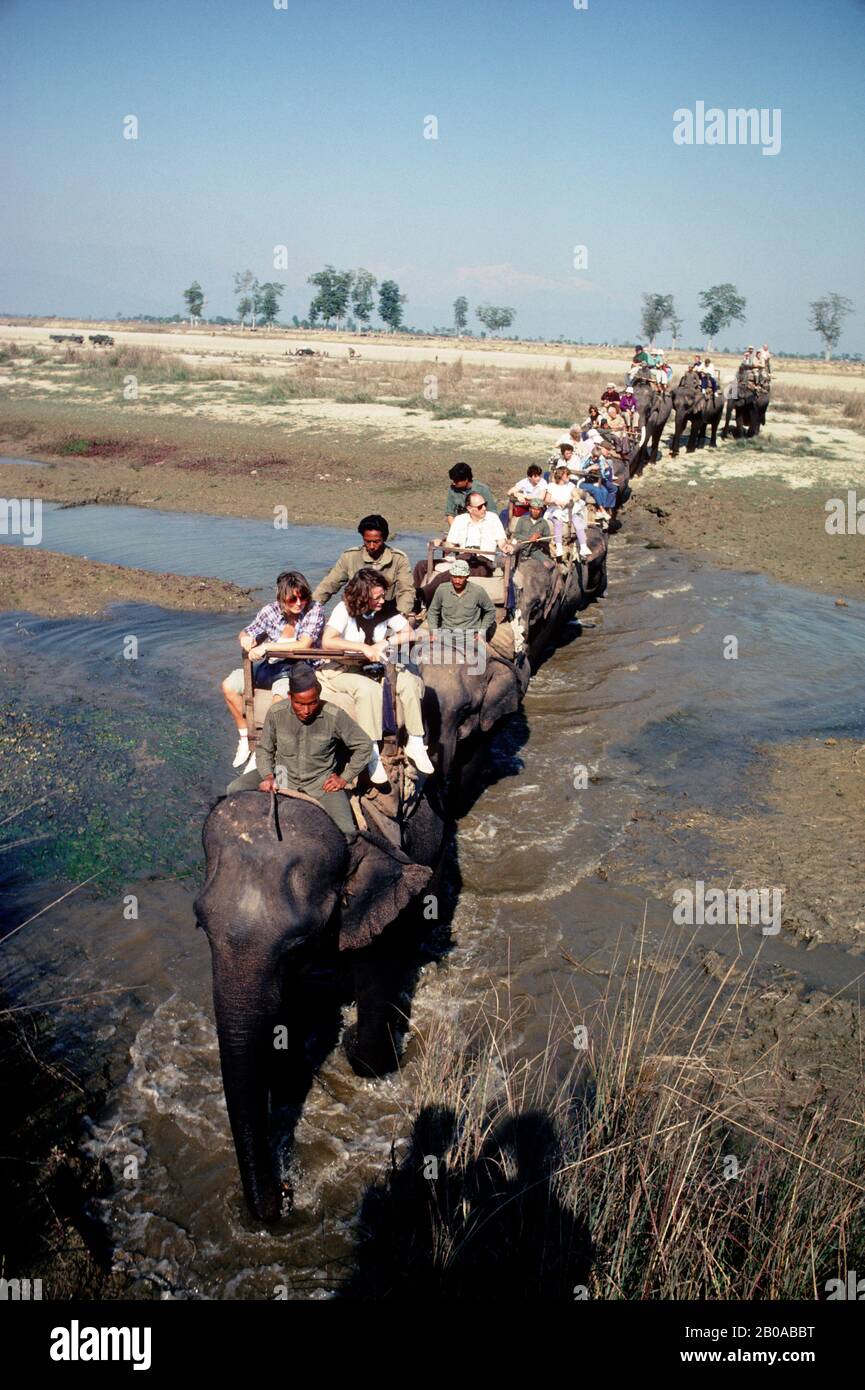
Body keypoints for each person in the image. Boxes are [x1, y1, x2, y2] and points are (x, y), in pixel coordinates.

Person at [226, 663, 371, 843]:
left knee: (347, 833)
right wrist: (268, 776)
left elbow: (364, 745)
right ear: (290, 697)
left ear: (318, 696)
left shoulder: (334, 716)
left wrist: (344, 778)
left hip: (321, 782)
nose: (306, 710)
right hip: (282, 774)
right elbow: (264, 749)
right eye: (299, 704)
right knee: (234, 789)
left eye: (312, 703)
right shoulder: (277, 712)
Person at [318, 568, 434, 784]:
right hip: (344, 668)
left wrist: (386, 642)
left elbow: (409, 632)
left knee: (409, 681)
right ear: (362, 596)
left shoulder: (385, 608)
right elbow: (328, 641)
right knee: (369, 689)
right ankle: (370, 751)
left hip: (376, 667)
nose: (382, 600)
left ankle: (416, 741)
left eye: (383, 595)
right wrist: (363, 647)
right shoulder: (344, 610)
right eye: (377, 597)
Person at [222, 570, 325, 769]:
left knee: (278, 699)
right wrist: (245, 639)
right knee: (229, 685)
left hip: (299, 666)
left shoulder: (314, 609)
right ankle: (245, 738)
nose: (299, 603)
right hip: (272, 665)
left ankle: (263, 750)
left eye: (303, 596)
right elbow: (247, 631)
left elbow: (303, 645)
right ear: (281, 597)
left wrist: (267, 647)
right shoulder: (270, 611)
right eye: (292, 599)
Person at [312, 513, 414, 617]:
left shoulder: (399, 559)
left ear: (384, 538)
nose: (372, 546)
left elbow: (406, 590)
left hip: (385, 612)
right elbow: (330, 584)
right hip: (357, 611)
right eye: (367, 541)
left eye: (376, 542)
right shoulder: (350, 557)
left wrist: (402, 614)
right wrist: (312, 606)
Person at [426, 558, 496, 634]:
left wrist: (481, 632)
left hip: (470, 635)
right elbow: (433, 611)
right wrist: (433, 631)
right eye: (454, 577)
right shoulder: (442, 589)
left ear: (467, 576)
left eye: (461, 577)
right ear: (450, 576)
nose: (457, 581)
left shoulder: (478, 591)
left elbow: (491, 610)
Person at [542, 464, 592, 560]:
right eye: (567, 475)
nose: (569, 476)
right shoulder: (551, 486)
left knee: (577, 520)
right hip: (555, 509)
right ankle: (559, 547)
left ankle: (583, 546)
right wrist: (554, 502)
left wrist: (570, 501)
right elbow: (546, 500)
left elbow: (576, 496)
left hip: (568, 509)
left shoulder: (570, 485)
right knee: (558, 522)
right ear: (561, 475)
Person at [445, 462, 495, 526]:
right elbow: (450, 514)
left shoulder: (483, 490)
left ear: (466, 479)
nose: (454, 483)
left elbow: (492, 513)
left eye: (456, 481)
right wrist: (455, 530)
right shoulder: (453, 489)